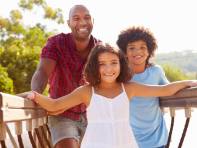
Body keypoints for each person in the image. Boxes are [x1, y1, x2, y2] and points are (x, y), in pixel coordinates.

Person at [24, 43, 197, 148]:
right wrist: (33, 95)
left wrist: (188, 82)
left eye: (114, 63)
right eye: (102, 64)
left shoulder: (129, 88)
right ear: (94, 67)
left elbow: (163, 90)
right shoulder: (86, 91)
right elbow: (55, 105)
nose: (109, 69)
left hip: (125, 143)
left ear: (121, 64)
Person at [28, 4, 99, 148]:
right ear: (69, 23)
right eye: (76, 18)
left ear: (93, 21)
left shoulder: (100, 49)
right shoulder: (56, 43)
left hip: (92, 117)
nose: (82, 22)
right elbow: (42, 72)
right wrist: (36, 96)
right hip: (61, 113)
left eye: (87, 18)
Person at [116, 26, 169, 148]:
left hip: (157, 138)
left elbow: (169, 90)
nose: (137, 52)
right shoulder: (120, 75)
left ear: (149, 50)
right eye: (131, 48)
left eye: (142, 47)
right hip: (129, 140)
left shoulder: (156, 72)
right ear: (125, 52)